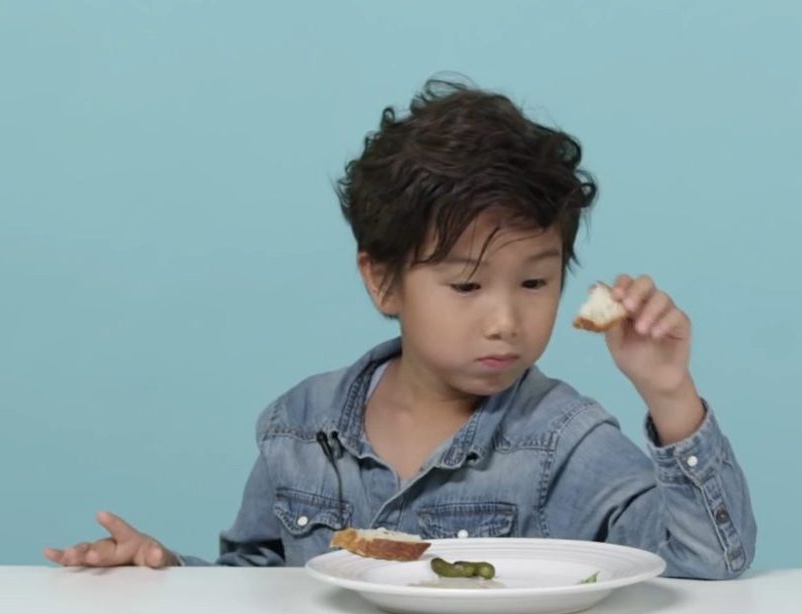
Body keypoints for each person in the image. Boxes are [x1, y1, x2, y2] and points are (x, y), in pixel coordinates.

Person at [45, 79, 756, 579]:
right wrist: (165, 571)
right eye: (466, 285)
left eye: (535, 283)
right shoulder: (301, 430)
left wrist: (670, 395)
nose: (506, 319)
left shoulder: (567, 441)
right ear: (382, 279)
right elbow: (256, 588)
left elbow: (705, 563)